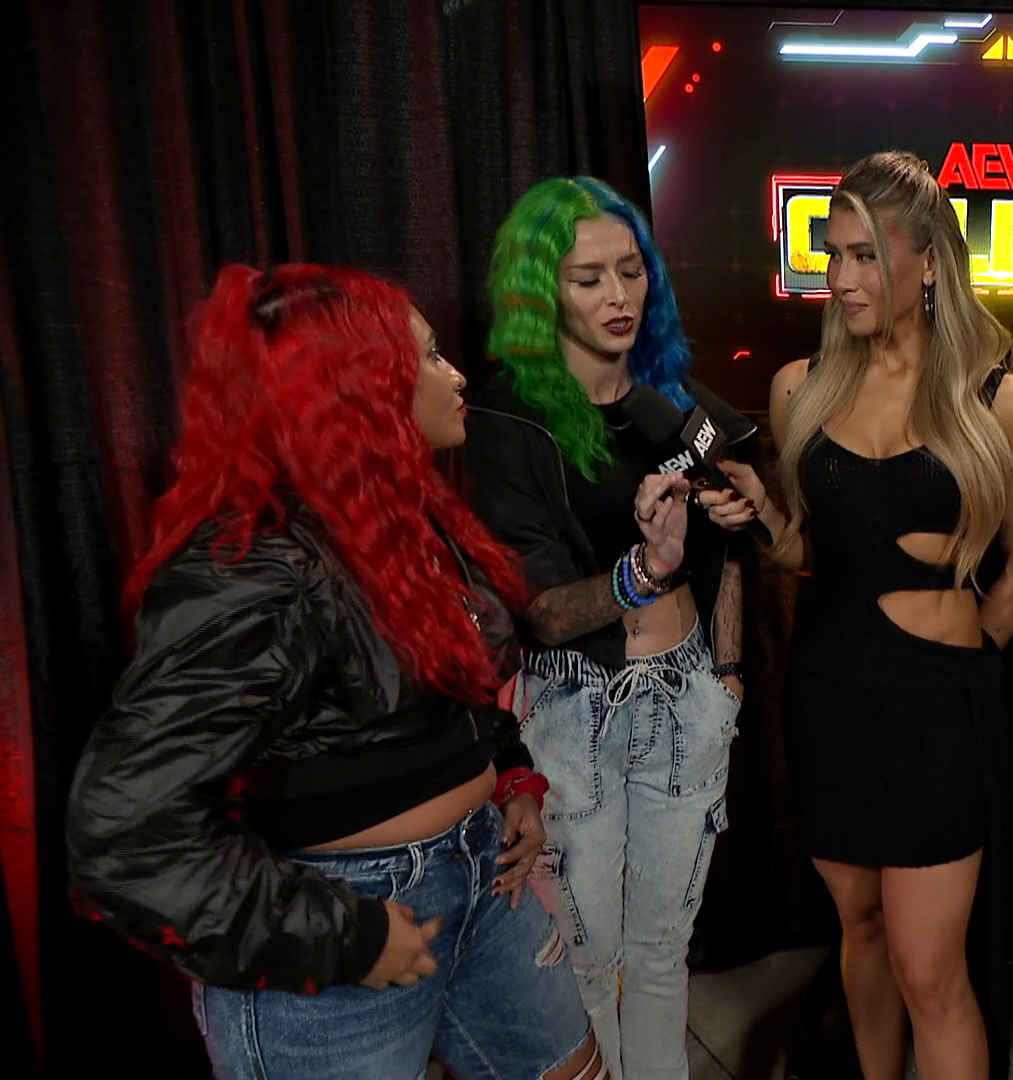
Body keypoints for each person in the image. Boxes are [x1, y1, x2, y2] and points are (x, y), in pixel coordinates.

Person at [66, 263, 610, 1079]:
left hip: (484, 879)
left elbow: (452, 688)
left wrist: (511, 777)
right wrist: (342, 936)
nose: (457, 375)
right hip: (347, 911)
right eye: (429, 358)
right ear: (360, 391)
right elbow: (123, 835)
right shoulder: (254, 567)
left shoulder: (408, 521)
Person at [700, 150, 1013, 1079]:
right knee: (858, 928)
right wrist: (763, 516)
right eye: (832, 253)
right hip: (830, 696)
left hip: (940, 712)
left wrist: (968, 658)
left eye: (865, 254)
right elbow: (809, 554)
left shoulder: (1003, 403)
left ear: (929, 261)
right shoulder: (801, 386)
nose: (842, 277)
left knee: (929, 967)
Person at [460, 176, 754, 1078]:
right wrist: (644, 570)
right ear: (539, 292)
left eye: (631, 270)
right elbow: (543, 610)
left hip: (689, 693)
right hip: (573, 708)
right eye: (589, 279)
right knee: (586, 960)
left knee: (663, 951)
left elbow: (735, 545)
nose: (619, 296)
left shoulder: (676, 402)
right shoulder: (505, 420)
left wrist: (727, 672)